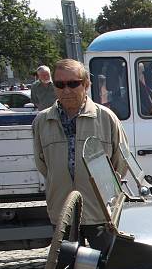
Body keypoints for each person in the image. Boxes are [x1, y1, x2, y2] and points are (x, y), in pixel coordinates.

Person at [31, 59, 129, 250]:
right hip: (62, 211)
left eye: (73, 83)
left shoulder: (106, 117)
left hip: (100, 212)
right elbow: (42, 164)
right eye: (60, 84)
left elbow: (120, 162)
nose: (66, 90)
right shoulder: (42, 121)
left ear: (86, 84)